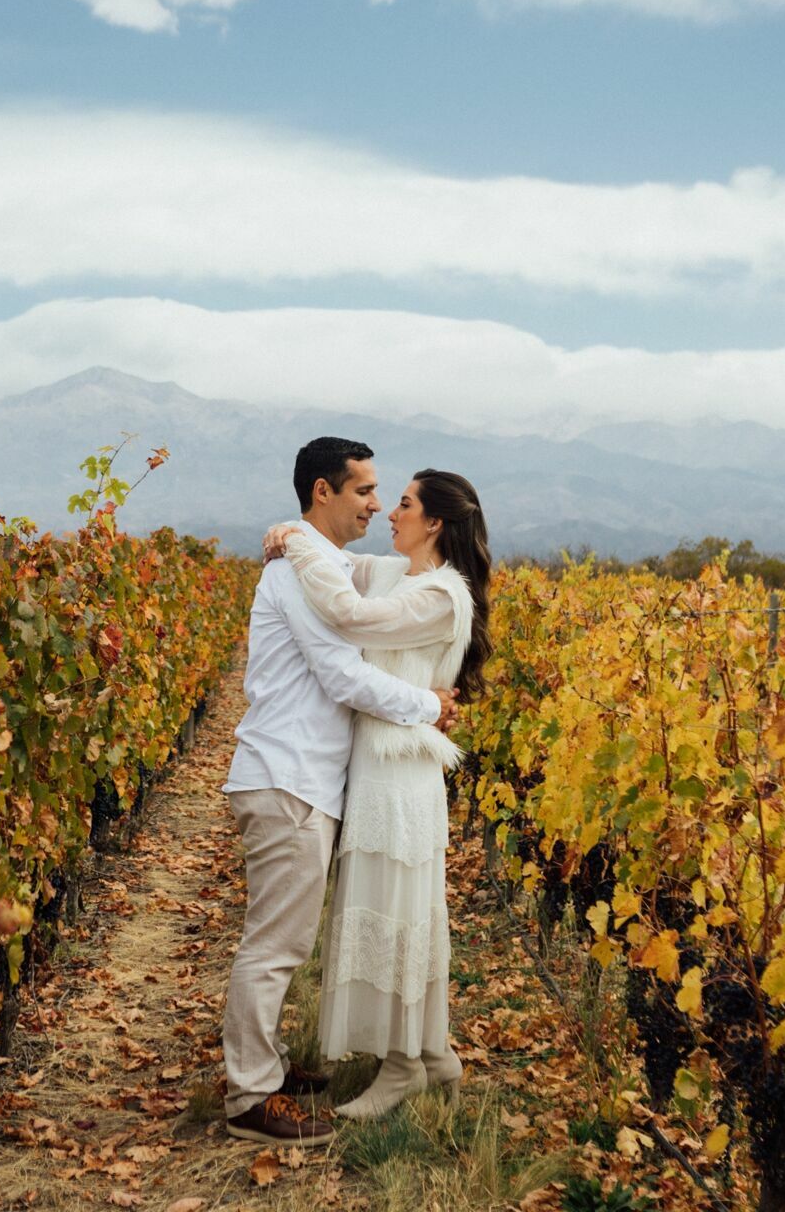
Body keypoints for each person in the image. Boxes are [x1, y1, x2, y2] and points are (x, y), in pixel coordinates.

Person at [220, 438, 459, 1148]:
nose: (376, 504)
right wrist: (429, 707)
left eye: (384, 493)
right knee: (275, 947)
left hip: (301, 779)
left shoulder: (316, 562)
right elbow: (343, 675)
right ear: (322, 491)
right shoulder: (299, 574)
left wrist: (289, 534)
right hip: (289, 779)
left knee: (282, 941)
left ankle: (264, 1069)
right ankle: (249, 1098)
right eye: (363, 491)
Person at [263, 468, 491, 1120]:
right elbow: (346, 571)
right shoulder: (401, 575)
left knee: (396, 911)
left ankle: (402, 1067)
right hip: (379, 768)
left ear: (436, 523)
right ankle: (432, 1054)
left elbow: (350, 615)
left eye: (405, 503)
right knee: (396, 908)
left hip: (401, 777)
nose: (390, 513)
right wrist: (297, 532)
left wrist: (298, 543)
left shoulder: (443, 597)